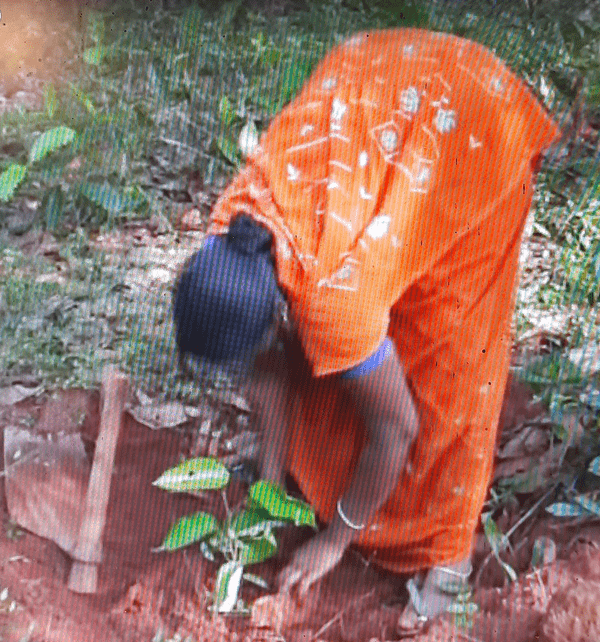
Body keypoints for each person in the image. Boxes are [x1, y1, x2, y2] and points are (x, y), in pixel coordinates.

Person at [173, 28, 559, 634]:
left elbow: (396, 430)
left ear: (280, 317)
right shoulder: (234, 230)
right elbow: (271, 375)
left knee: (446, 361)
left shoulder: (333, 303)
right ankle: (315, 480)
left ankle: (447, 556)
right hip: (384, 89)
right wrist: (268, 494)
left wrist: (335, 542)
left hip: (473, 130)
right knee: (351, 351)